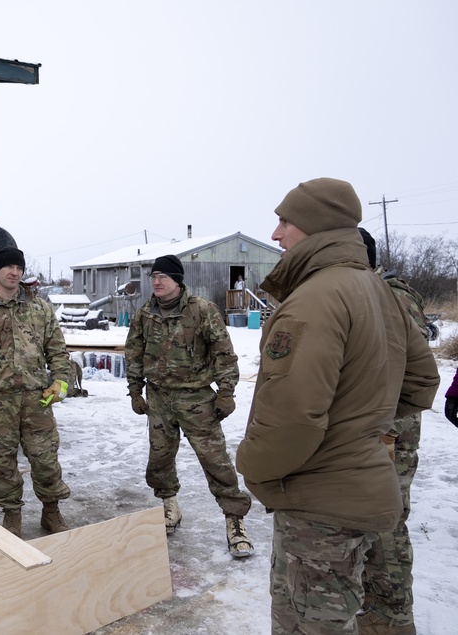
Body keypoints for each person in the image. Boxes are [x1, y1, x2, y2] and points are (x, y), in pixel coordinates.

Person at [236, 178, 439, 634]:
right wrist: (361, 425)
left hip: (318, 505)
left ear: (315, 225)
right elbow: (423, 382)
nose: (276, 234)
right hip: (364, 488)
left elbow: (293, 418)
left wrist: (252, 466)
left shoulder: (313, 299)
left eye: (284, 221)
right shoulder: (376, 289)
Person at [124, 254, 253, 558]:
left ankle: (235, 521)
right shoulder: (145, 313)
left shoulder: (202, 311)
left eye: (163, 276)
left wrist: (226, 393)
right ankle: (169, 506)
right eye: (153, 276)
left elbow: (224, 354)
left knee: (215, 461)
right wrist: (135, 391)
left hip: (196, 399)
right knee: (160, 458)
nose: (156, 281)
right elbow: (134, 353)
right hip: (159, 399)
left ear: (177, 281)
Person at [357, 227, 451, 634]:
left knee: (385, 523)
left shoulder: (391, 297)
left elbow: (401, 370)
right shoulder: (366, 291)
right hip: (372, 428)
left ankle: (391, 618)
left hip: (387, 431)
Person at [0, 247, 72, 538]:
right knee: (1, 461)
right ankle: (12, 516)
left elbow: (57, 350)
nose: (14, 272)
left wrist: (60, 382)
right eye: (8, 267)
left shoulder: (39, 308)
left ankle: (51, 511)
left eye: (18, 267)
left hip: (36, 398)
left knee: (45, 458)